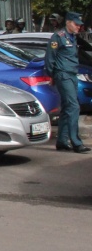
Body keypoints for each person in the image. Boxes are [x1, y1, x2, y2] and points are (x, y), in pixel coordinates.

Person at [44, 12, 88, 153]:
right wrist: (52, 75)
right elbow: (50, 58)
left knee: (67, 108)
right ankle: (76, 142)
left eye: (79, 25)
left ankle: (62, 141)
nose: (78, 27)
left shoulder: (72, 38)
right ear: (68, 22)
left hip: (72, 74)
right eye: (76, 24)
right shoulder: (58, 37)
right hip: (63, 75)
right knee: (74, 107)